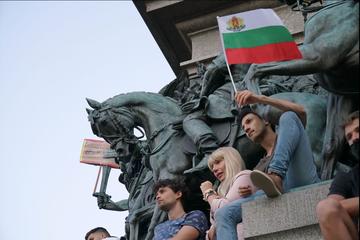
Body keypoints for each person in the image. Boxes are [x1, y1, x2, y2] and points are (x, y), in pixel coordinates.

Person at [213, 90, 320, 240]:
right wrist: (250, 190)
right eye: (243, 128)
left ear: (265, 120)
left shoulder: (288, 133)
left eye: (249, 121)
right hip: (275, 197)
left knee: (289, 116)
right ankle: (274, 179)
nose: (247, 129)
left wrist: (260, 99)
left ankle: (276, 174)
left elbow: (301, 112)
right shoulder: (258, 167)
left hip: (300, 180)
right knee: (223, 214)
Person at [316, 111, 359, 240]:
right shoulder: (346, 176)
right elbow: (331, 209)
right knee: (325, 207)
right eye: (349, 137)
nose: (354, 138)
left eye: (358, 130)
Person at [200, 147, 257, 240]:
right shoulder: (222, 192)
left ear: (231, 160)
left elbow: (224, 211)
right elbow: (210, 233)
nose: (214, 169)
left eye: (218, 162)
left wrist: (208, 192)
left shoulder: (245, 176)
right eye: (212, 167)